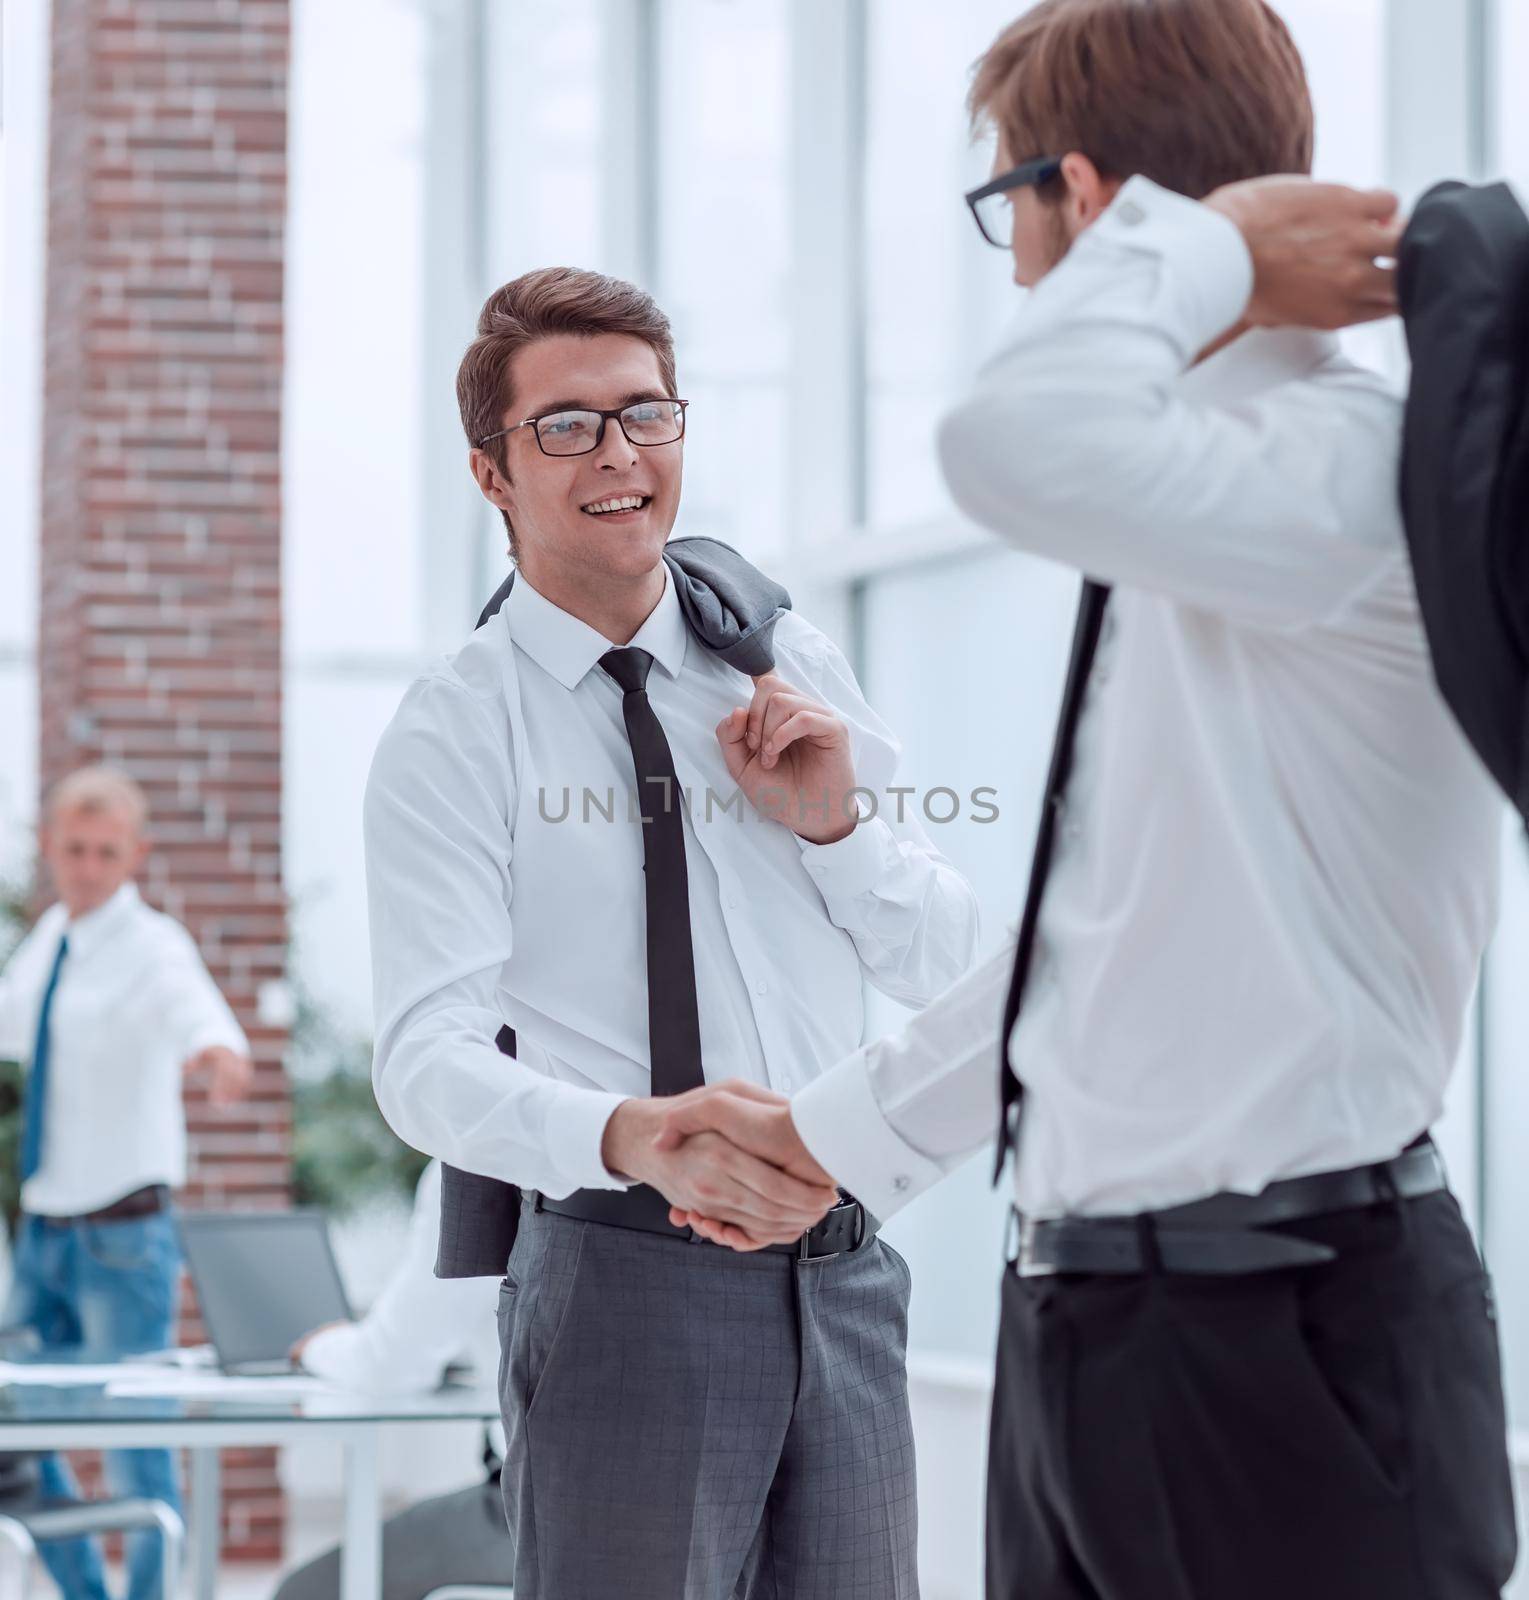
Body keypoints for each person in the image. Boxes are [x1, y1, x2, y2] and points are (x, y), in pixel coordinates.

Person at [653, 2, 1519, 1597]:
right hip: (1101, 1329)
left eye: (1011, 206)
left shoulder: (1332, 473)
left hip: (1286, 1331)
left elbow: (1005, 435)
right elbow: (1116, 940)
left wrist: (1204, 252)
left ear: (1092, 200)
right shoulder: (1192, 506)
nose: (1013, 268)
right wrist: (832, 1135)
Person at [362, 267, 981, 1597]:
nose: (620, 454)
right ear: (491, 475)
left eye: (646, 415)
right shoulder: (458, 724)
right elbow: (422, 1060)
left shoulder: (784, 661)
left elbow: (955, 969)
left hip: (848, 1274)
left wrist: (839, 828)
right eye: (567, 425)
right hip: (624, 1281)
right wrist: (625, 1136)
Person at [0, 765, 254, 1600]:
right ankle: (85, 1594)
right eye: (74, 849)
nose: (87, 868)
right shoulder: (50, 942)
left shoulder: (152, 946)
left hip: (121, 1238)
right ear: (50, 848)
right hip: (42, 1234)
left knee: (135, 1444)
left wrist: (220, 1053)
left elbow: (196, 1011)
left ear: (135, 855)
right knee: (16, 1437)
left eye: (106, 852)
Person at [272, 1158, 510, 1600]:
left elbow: (390, 1364)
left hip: (528, 1516)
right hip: (665, 1512)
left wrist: (317, 1348)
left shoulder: (473, 1157)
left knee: (304, 1594)